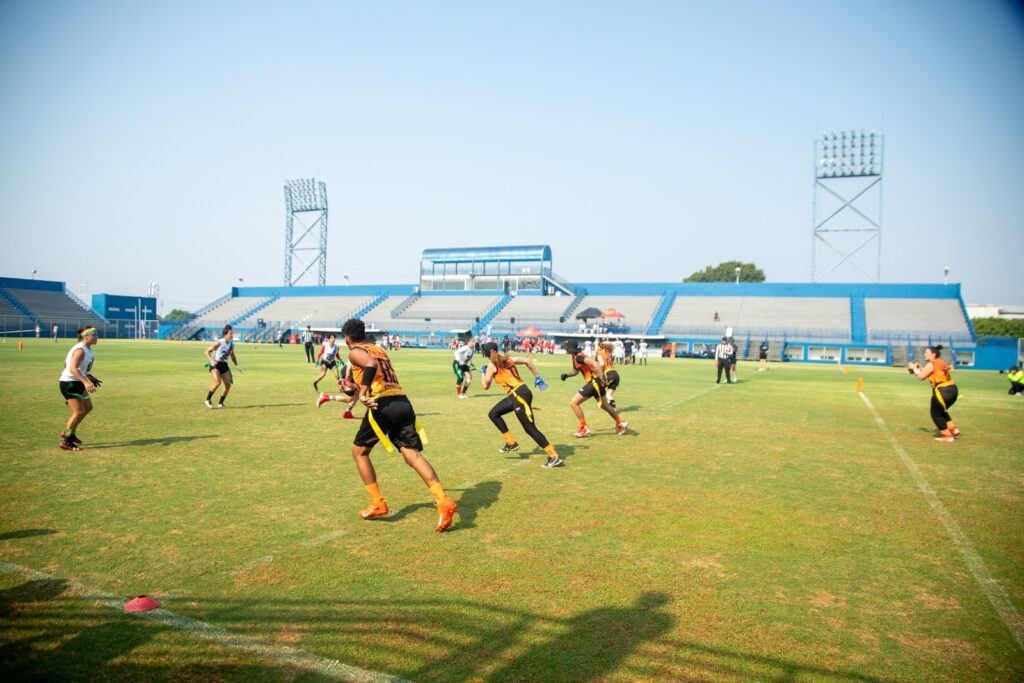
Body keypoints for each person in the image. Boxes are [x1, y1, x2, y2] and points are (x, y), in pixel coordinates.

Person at [341, 318, 457, 532]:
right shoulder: (378, 349)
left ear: (347, 337)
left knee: (359, 453)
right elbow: (372, 374)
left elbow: (370, 366)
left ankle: (377, 503)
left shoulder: (355, 351)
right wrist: (351, 387)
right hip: (403, 402)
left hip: (383, 404)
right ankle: (443, 500)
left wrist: (364, 393)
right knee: (412, 455)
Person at [480, 341, 563, 467]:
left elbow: (485, 386)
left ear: (485, 353)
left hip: (519, 395)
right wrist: (537, 377)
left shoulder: (491, 365)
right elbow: (527, 361)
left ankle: (553, 455)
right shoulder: (507, 358)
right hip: (517, 394)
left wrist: (482, 373)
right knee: (494, 414)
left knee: (530, 428)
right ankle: (511, 442)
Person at [560, 340, 628, 437]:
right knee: (605, 405)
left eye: (566, 347)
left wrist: (601, 377)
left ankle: (583, 428)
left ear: (571, 348)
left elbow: (595, 364)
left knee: (574, 403)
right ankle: (621, 422)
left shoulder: (579, 357)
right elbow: (575, 371)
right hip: (596, 382)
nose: (565, 348)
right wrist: (567, 375)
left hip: (594, 382)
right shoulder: (575, 357)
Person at [57, 326, 101, 451]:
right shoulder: (80, 350)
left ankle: (69, 432)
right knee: (78, 412)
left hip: (78, 383)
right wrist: (86, 382)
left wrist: (90, 377)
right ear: (86, 336)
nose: (97, 337)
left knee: (88, 407)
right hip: (70, 384)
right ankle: (66, 441)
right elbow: (72, 368)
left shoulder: (87, 349)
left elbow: (80, 368)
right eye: (94, 335)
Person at [907, 345, 960, 442]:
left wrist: (914, 368)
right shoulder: (940, 362)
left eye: (927, 352)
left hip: (943, 391)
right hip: (952, 389)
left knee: (935, 414)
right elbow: (930, 373)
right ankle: (953, 429)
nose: (924, 354)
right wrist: (919, 367)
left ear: (933, 354)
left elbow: (921, 377)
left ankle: (947, 435)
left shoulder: (931, 364)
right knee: (940, 411)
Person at [204, 324, 240, 408]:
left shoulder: (232, 344)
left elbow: (232, 355)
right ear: (226, 334)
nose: (232, 335)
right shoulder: (219, 342)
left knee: (228, 384)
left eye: (232, 333)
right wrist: (211, 361)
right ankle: (207, 400)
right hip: (215, 364)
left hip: (224, 365)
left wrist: (237, 365)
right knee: (217, 382)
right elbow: (206, 352)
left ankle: (220, 403)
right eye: (230, 333)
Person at [596, 339, 622, 408]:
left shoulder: (600, 353)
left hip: (609, 374)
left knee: (598, 388)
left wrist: (600, 375)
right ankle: (613, 409)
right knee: (608, 394)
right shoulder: (609, 353)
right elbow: (611, 346)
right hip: (616, 375)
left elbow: (601, 364)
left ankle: (602, 403)